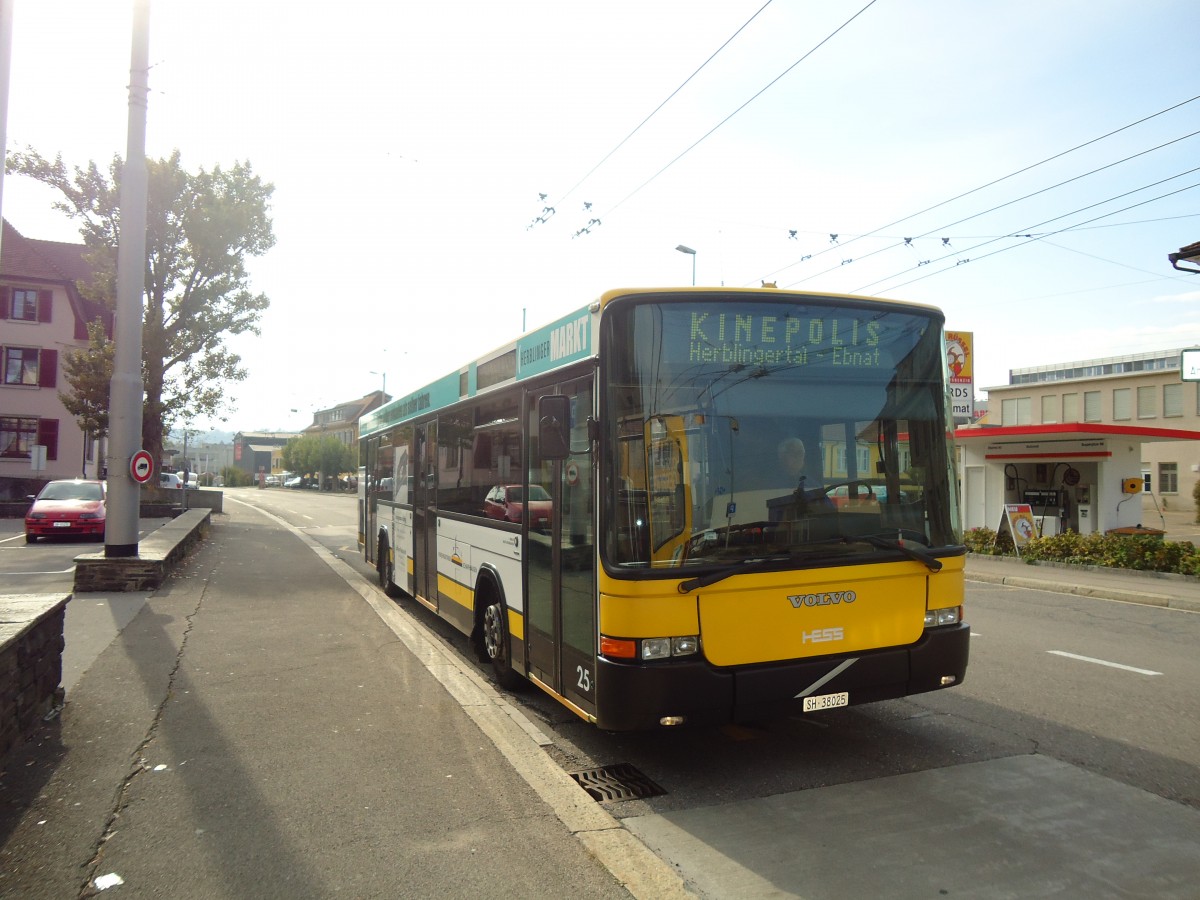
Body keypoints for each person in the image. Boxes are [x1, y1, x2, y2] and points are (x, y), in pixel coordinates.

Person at [774, 437, 833, 517]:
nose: (799, 457)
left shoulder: (811, 484)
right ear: (781, 456)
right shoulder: (771, 484)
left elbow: (831, 512)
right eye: (794, 453)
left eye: (801, 453)